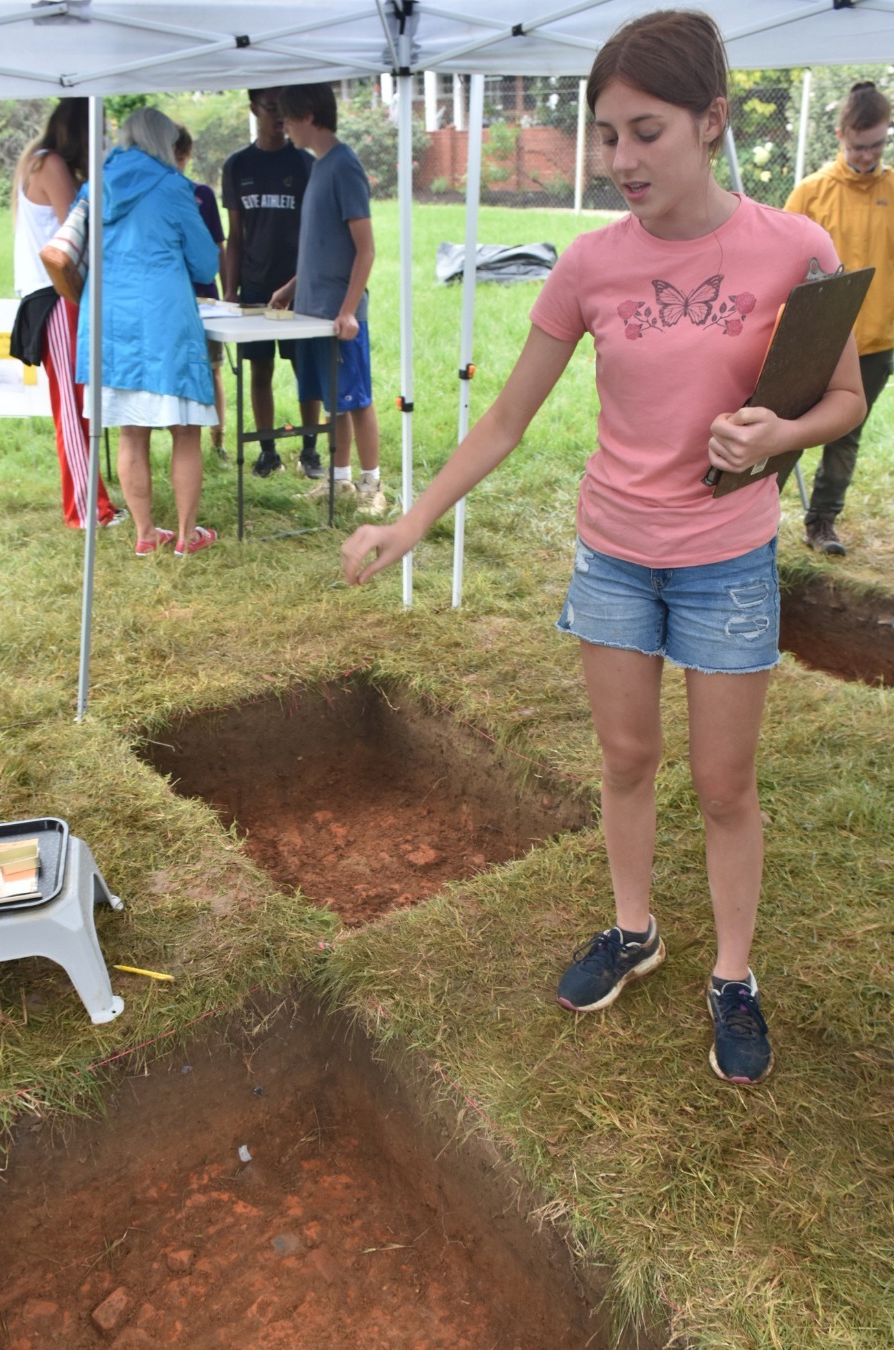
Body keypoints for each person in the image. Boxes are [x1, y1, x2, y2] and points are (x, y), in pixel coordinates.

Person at [341, 11, 866, 1084]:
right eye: (605, 134)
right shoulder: (588, 264)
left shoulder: (797, 248)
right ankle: (635, 929)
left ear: (713, 122)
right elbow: (505, 421)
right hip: (614, 555)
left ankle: (733, 976)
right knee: (625, 761)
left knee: (726, 786)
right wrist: (412, 518)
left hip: (727, 559)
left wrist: (783, 432)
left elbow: (847, 399)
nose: (618, 160)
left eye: (645, 132)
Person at [76, 107, 220, 558]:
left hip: (107, 320)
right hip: (164, 322)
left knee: (130, 433)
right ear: (165, 141)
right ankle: (185, 536)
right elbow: (205, 264)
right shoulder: (175, 188)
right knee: (186, 431)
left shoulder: (94, 184)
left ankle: (144, 534)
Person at [784, 82, 894, 556]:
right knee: (783, 430)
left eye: (878, 144)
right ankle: (745, 515)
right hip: (814, 342)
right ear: (839, 135)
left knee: (845, 436)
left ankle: (822, 522)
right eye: (858, 145)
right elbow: (778, 265)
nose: (868, 155)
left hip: (873, 343)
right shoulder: (811, 193)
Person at [271, 84, 386, 517]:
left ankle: (372, 485)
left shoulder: (344, 166)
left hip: (341, 318)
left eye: (286, 118)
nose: (283, 128)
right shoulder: (321, 167)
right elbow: (324, 246)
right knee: (333, 401)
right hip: (313, 314)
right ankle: (338, 482)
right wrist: (291, 287)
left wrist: (348, 310)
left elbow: (365, 248)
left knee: (356, 400)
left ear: (307, 114)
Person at [12, 98, 123, 530]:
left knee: (80, 405)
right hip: (55, 298)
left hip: (58, 296)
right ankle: (86, 511)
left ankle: (96, 504)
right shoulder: (50, 164)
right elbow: (78, 227)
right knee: (74, 411)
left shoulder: (41, 161)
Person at [221, 88, 323, 480]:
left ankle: (311, 448)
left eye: (284, 108)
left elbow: (316, 233)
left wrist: (301, 282)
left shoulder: (303, 163)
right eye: (270, 108)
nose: (278, 117)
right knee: (258, 370)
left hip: (298, 287)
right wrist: (230, 291)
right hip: (255, 287)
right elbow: (235, 234)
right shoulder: (237, 166)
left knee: (304, 368)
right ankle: (267, 451)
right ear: (253, 109)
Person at [172, 124, 229, 466]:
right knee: (178, 370)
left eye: (181, 156)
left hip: (206, 298)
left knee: (213, 370)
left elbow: (218, 248)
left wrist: (228, 292)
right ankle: (183, 441)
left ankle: (218, 440)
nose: (176, 163)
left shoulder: (203, 195)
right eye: (171, 156)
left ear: (188, 155)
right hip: (170, 299)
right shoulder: (158, 195)